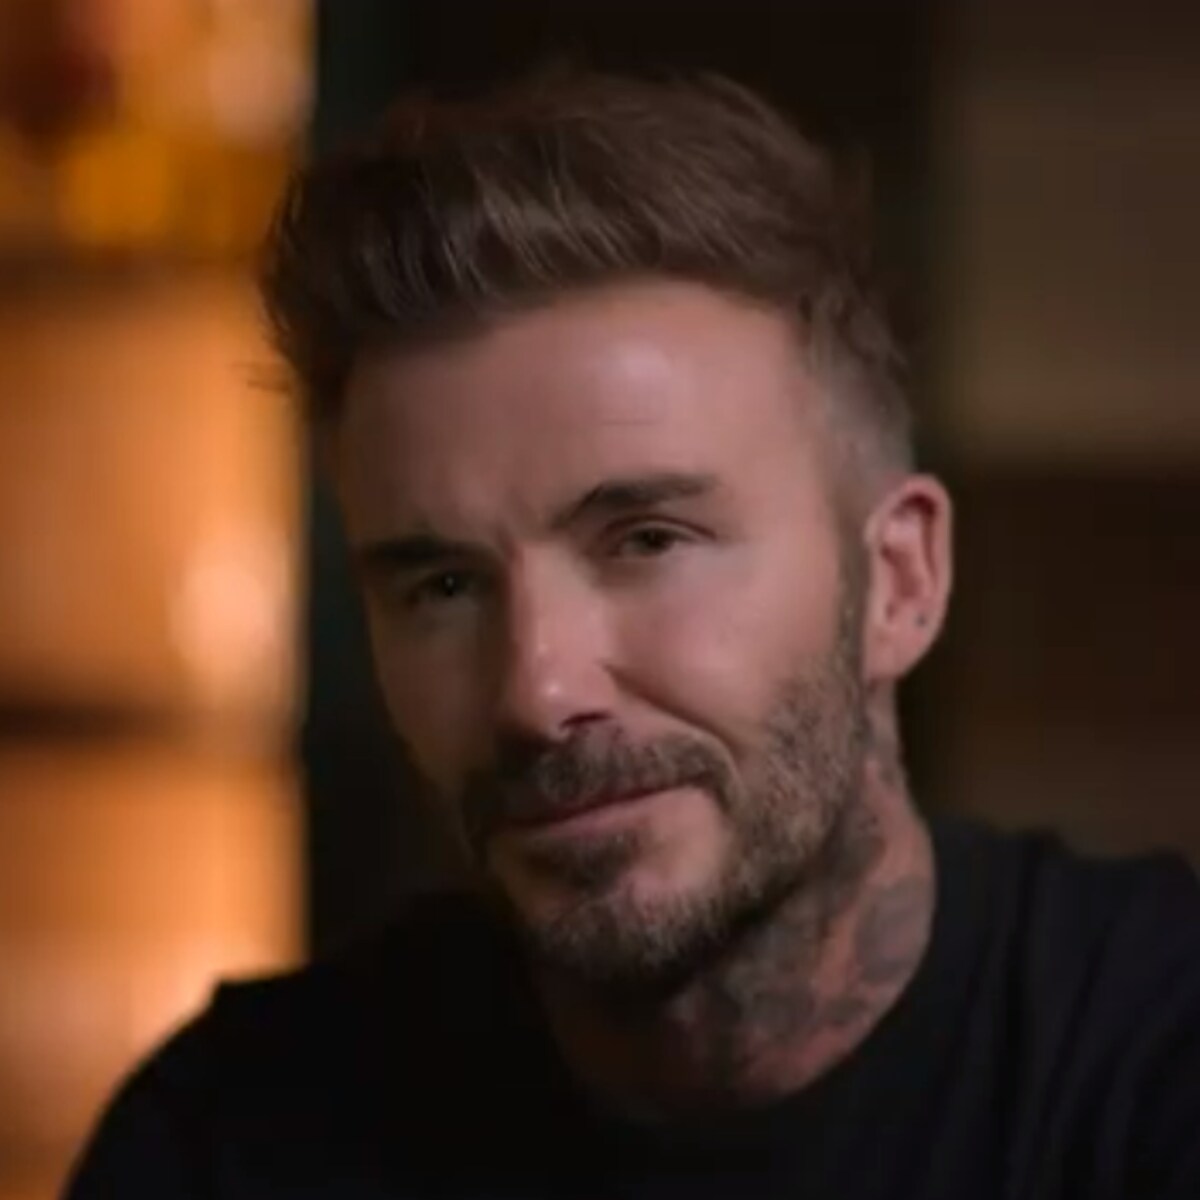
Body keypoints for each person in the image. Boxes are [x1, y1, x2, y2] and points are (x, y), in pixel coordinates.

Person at [65, 66, 1200, 1200]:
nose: (537, 693)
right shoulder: (227, 1139)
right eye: (443, 587)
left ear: (900, 583)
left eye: (648, 540)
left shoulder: (1153, 1062)